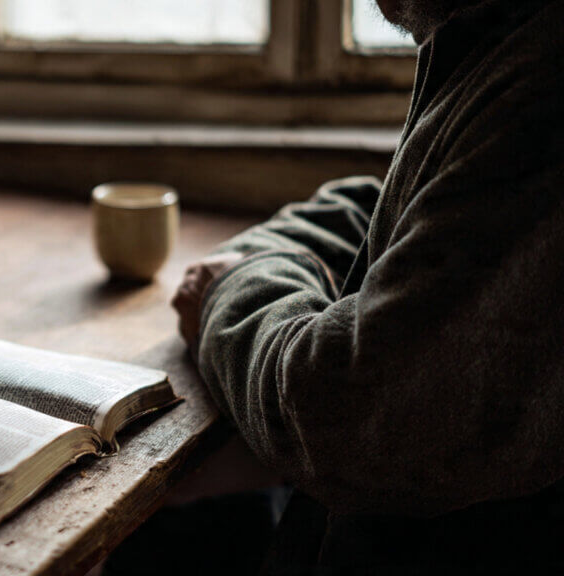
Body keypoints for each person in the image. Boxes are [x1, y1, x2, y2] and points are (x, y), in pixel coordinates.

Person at [168, 0, 564, 572]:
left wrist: (229, 292)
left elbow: (342, 413)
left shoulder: (545, 79)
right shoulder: (503, 41)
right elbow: (405, 217)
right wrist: (273, 257)